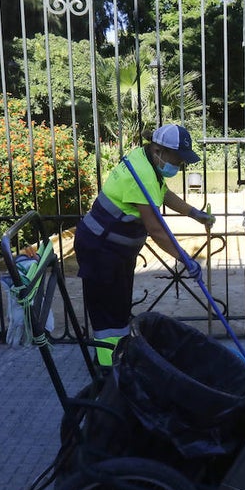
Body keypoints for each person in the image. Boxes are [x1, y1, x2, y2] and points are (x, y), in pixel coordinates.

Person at [74, 124, 215, 367]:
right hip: (101, 250)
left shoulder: (146, 160)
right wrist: (185, 258)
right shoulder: (142, 173)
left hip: (113, 249)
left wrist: (194, 213)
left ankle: (117, 358)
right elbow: (156, 230)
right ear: (159, 150)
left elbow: (163, 194)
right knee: (108, 314)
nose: (180, 165)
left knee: (117, 307)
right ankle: (109, 370)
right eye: (178, 159)